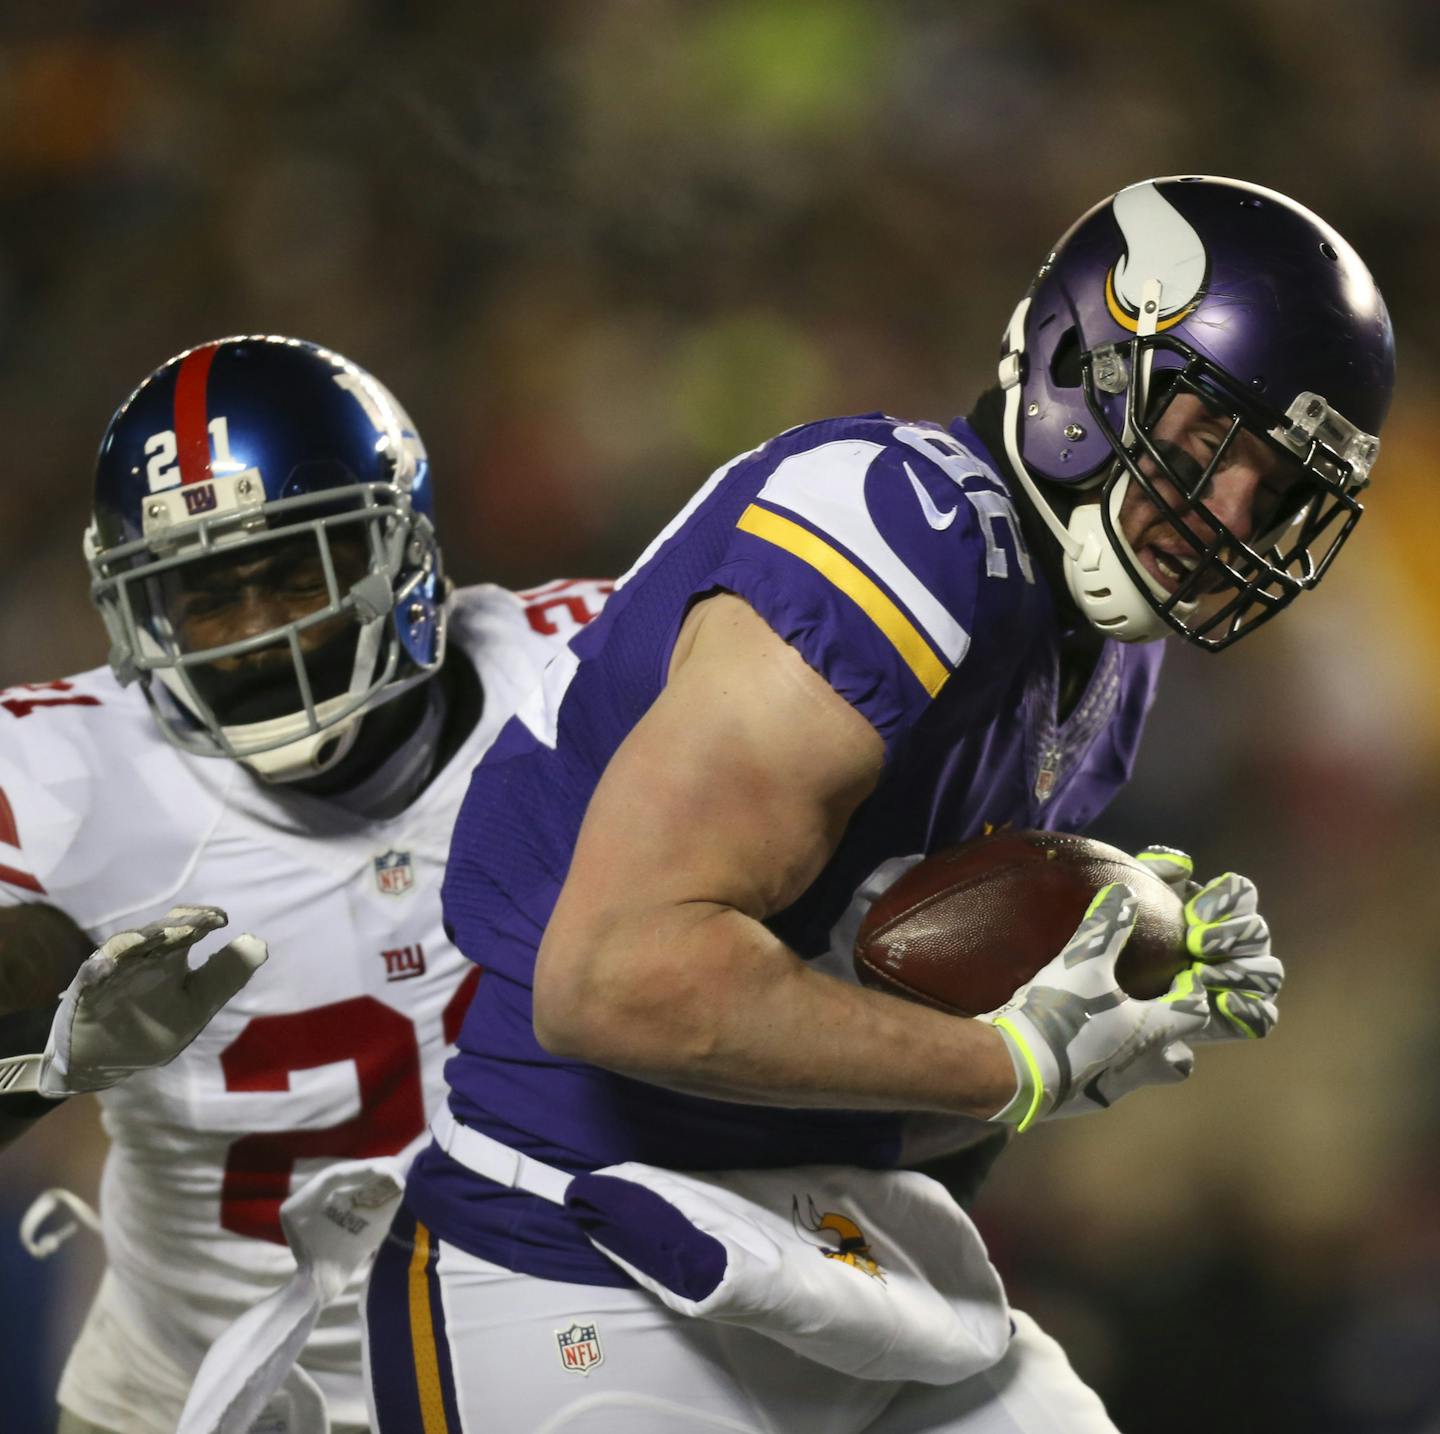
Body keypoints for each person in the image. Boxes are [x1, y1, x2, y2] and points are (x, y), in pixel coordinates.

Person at [362, 176, 1392, 1433]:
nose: (1226, 517)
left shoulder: (1111, 662)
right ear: (1087, 361)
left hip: (836, 1239)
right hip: (580, 1238)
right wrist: (1010, 1059)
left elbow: (877, 1069)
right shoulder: (903, 528)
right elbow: (615, 975)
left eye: (1276, 492)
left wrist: (1088, 1021)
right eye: (1204, 446)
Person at [0, 334, 612, 1434]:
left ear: (403, 558)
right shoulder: (59, 774)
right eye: (202, 600)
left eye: (298, 576)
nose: (255, 639)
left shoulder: (589, 671)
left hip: (566, 1362)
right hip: (194, 1398)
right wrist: (36, 1071)